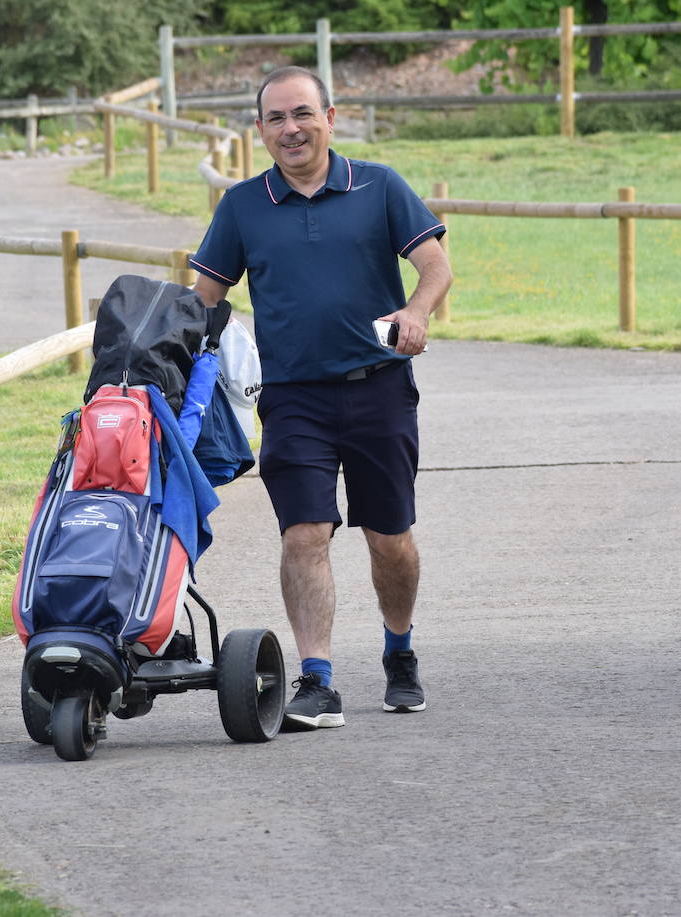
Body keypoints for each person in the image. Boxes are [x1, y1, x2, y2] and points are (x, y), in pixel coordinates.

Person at [191, 66, 452, 732]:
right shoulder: (243, 206)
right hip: (293, 399)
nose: (291, 129)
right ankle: (318, 678)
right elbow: (202, 300)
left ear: (330, 117)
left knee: (389, 541)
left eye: (302, 114)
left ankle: (399, 651)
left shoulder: (380, 185)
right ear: (260, 131)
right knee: (304, 533)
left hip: (379, 390)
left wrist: (417, 311)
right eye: (276, 118)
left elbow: (436, 266)